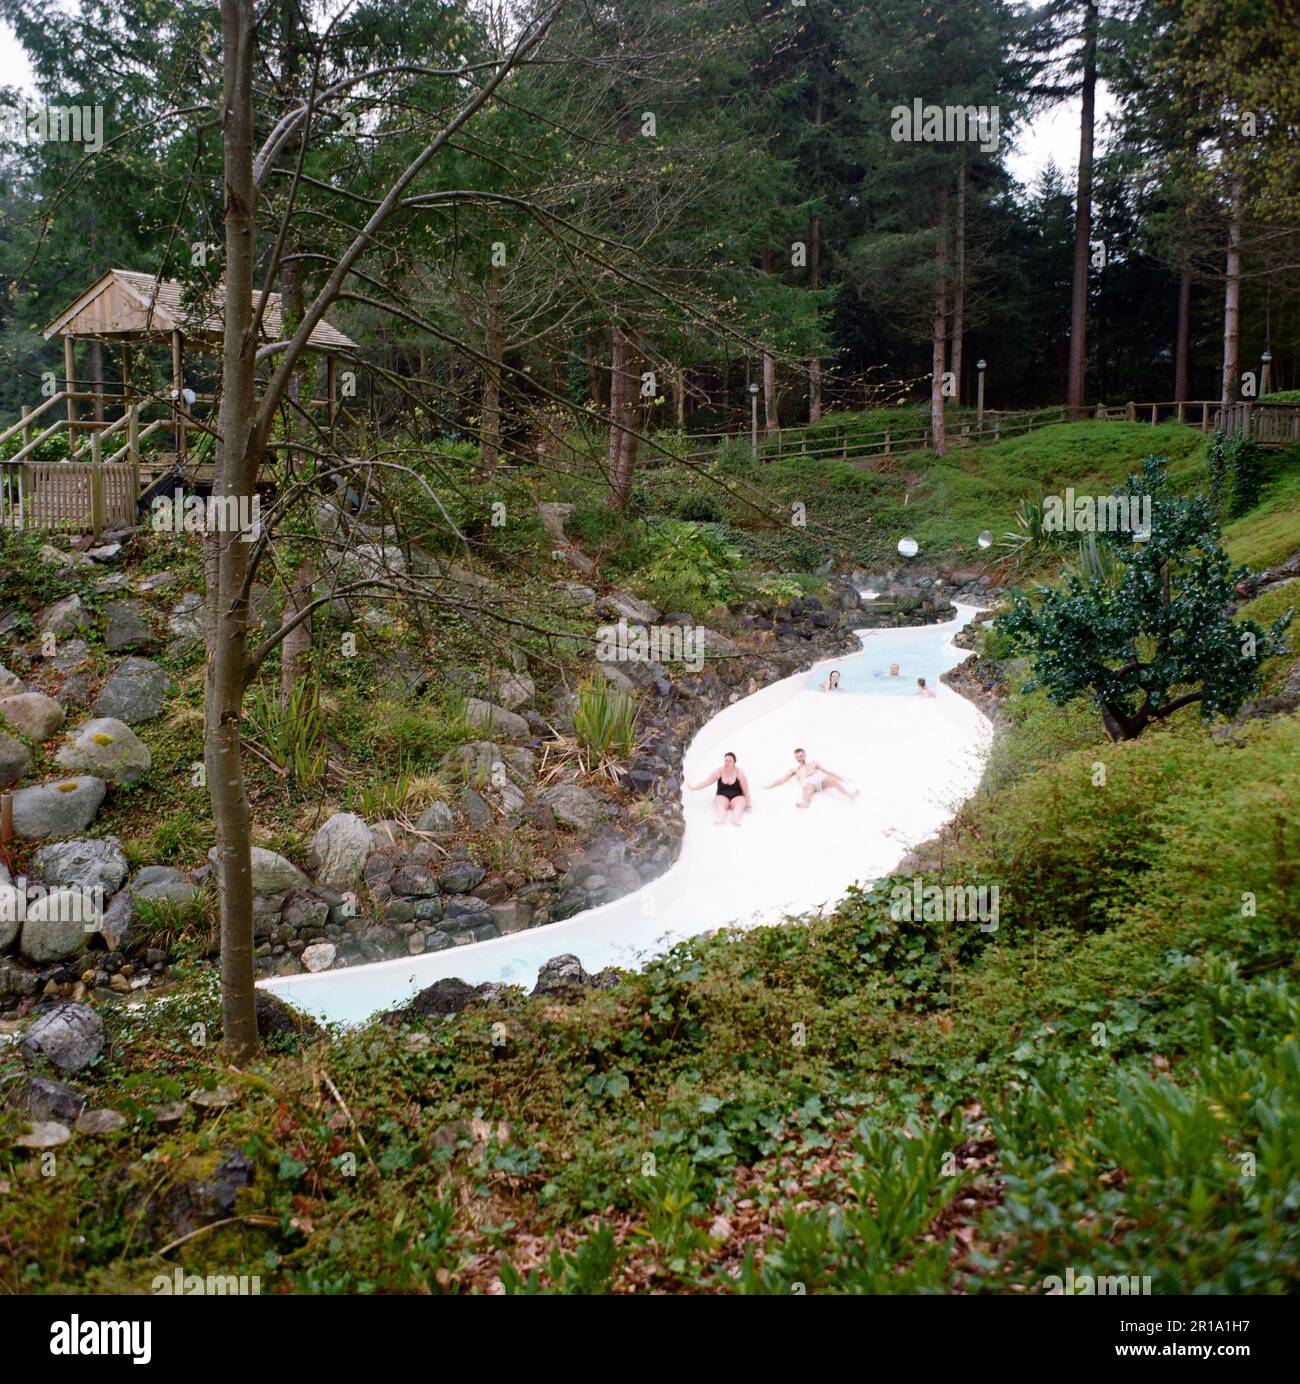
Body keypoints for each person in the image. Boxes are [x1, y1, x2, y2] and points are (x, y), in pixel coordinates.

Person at [767, 747, 859, 809]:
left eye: (801, 756)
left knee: (832, 780)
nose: (799, 758)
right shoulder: (794, 770)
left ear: (805, 755)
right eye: (797, 757)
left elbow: (827, 772)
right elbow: (782, 780)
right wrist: (771, 786)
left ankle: (849, 795)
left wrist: (841, 778)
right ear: (795, 758)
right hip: (807, 782)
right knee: (808, 787)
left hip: (819, 779)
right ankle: (805, 803)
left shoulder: (813, 763)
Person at [689, 751, 751, 826]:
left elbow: (746, 791)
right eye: (725, 761)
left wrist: (748, 805)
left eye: (729, 761)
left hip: (737, 797)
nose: (727, 763)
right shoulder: (719, 771)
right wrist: (694, 788)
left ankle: (735, 819)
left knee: (739, 804)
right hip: (722, 796)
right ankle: (720, 819)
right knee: (720, 805)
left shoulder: (739, 773)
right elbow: (706, 782)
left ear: (734, 762)